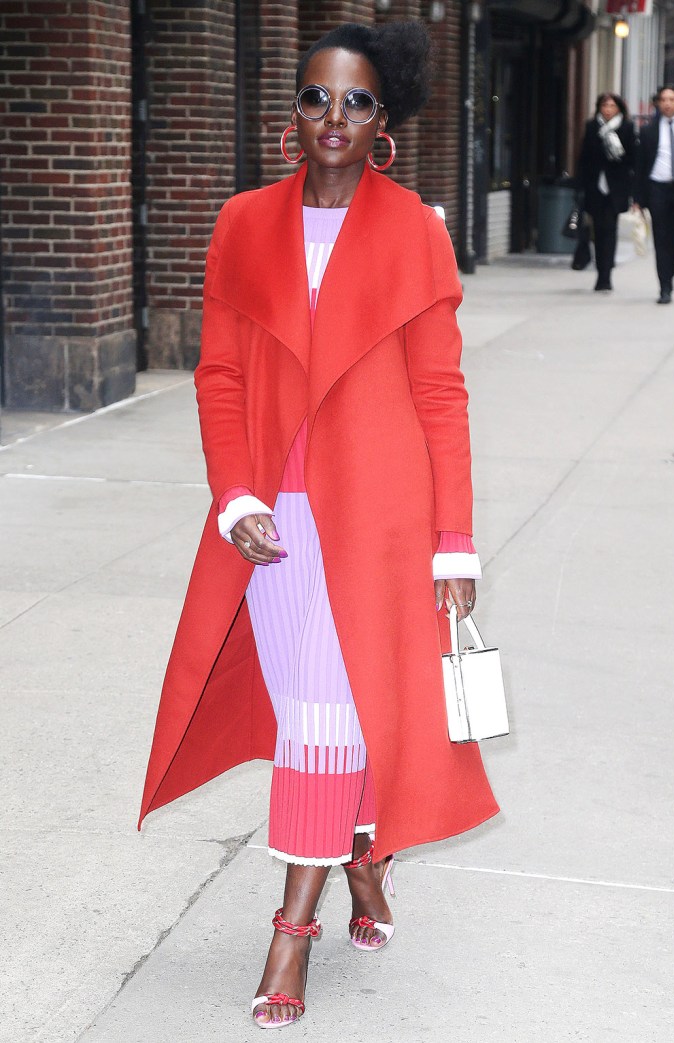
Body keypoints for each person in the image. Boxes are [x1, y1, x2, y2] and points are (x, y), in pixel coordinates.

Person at [139, 21, 498, 1030]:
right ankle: (362, 857)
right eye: (314, 97)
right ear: (289, 110)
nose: (331, 117)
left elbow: (440, 392)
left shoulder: (413, 229)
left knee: (334, 715)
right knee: (318, 713)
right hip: (276, 523)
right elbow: (215, 373)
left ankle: (289, 929)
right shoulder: (242, 223)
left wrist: (452, 538)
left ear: (384, 120)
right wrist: (235, 494)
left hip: (380, 517)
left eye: (354, 101)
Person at [575, 92, 637, 292]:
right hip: (594, 188)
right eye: (604, 105)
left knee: (609, 230)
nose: (608, 109)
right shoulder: (592, 127)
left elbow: (632, 160)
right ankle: (601, 267)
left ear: (619, 108)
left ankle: (605, 276)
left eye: (612, 106)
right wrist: (579, 186)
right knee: (598, 231)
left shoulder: (627, 128)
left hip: (615, 189)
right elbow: (584, 158)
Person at [635, 84, 674, 304]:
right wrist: (638, 199)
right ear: (658, 103)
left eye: (672, 99)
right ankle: (665, 287)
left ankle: (669, 274)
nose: (668, 104)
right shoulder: (648, 130)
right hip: (658, 188)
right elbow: (640, 166)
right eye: (664, 100)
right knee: (661, 239)